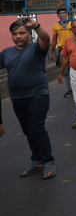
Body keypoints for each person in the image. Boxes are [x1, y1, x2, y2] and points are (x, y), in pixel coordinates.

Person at [0, 17, 56, 179]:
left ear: (30, 34)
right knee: (27, 130)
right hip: (17, 98)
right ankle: (37, 160)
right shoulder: (6, 53)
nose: (18, 36)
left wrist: (36, 25)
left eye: (22, 33)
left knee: (36, 128)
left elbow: (45, 39)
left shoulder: (37, 48)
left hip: (38, 95)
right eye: (15, 33)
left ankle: (48, 161)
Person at [50, 7, 73, 98]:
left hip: (73, 49)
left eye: (64, 12)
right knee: (65, 70)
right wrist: (52, 52)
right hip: (62, 50)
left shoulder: (72, 24)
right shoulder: (55, 26)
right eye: (60, 13)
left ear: (67, 14)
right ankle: (70, 89)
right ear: (57, 15)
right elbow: (54, 39)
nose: (62, 14)